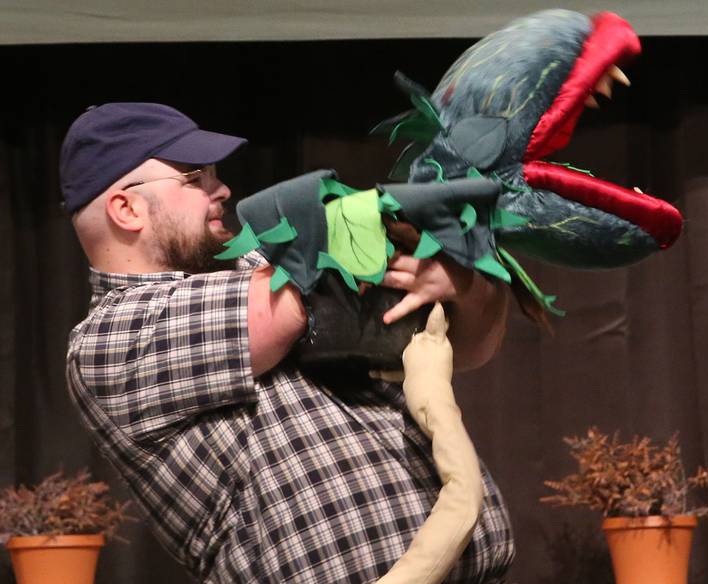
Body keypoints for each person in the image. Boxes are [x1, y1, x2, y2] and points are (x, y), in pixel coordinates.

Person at [63, 102, 514, 583]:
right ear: (126, 208)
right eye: (196, 179)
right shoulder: (109, 339)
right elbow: (289, 302)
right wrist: (398, 232)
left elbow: (470, 347)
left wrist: (461, 283)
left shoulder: (265, 265)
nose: (223, 191)